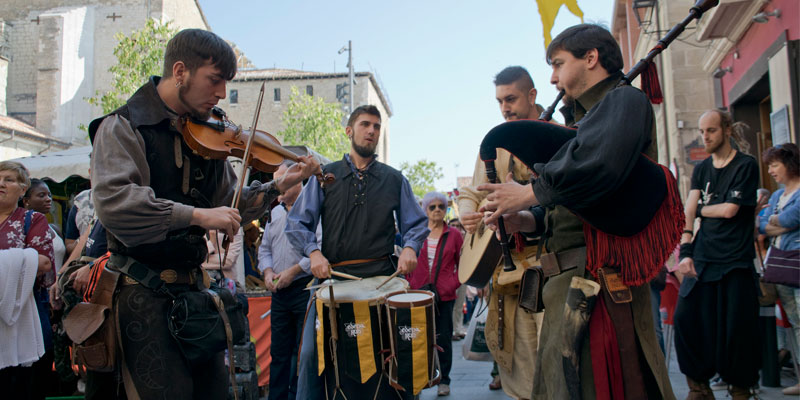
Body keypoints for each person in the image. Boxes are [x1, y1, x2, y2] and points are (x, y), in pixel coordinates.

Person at [88, 29, 320, 399]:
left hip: (194, 296)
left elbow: (229, 205)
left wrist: (276, 186)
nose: (221, 94)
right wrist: (197, 216)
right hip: (142, 296)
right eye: (214, 80)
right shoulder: (124, 126)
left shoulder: (205, 133)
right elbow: (117, 202)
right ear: (180, 71)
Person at [477, 24, 675, 399]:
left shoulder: (623, 102)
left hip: (600, 283)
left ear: (591, 58)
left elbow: (599, 172)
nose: (552, 78)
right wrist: (527, 219)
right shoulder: (584, 122)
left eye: (557, 64)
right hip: (570, 285)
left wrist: (529, 192)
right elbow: (574, 206)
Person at [286, 105, 428, 399]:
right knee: (312, 355)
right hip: (334, 282)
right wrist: (313, 253)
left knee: (401, 350)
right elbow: (297, 223)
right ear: (349, 131)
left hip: (383, 280)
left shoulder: (394, 178)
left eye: (377, 126)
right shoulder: (325, 176)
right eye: (365, 124)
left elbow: (415, 223)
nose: (372, 131)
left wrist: (411, 248)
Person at [456, 65, 544, 398]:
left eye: (511, 98)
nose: (505, 107)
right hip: (508, 275)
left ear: (532, 95)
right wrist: (467, 215)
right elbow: (471, 193)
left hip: (548, 266)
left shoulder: (556, 133)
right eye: (499, 101)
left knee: (554, 369)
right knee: (518, 371)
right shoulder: (495, 143)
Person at [674, 109, 760, 399]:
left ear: (726, 130)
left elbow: (730, 210)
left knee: (736, 329)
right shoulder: (701, 168)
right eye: (701, 131)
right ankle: (699, 388)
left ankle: (740, 390)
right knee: (686, 318)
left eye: (710, 130)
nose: (705, 136)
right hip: (702, 257)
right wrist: (686, 249)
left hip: (735, 260)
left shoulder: (746, 166)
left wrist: (699, 209)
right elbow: (688, 210)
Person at [258, 161, 319, 400]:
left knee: (303, 352)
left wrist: (293, 271)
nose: (278, 186)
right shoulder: (274, 212)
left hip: (304, 289)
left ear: (297, 178)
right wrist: (267, 272)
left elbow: (321, 248)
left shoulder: (314, 207)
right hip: (279, 293)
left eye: (282, 180)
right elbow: (265, 250)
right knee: (279, 352)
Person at [0, 161, 54, 399]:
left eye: (9, 179)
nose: (1, 184)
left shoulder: (32, 220)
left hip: (27, 306)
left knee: (24, 383)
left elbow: (43, 263)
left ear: (23, 190)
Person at [405, 191, 464, 396]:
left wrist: (453, 283)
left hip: (444, 295)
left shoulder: (454, 235)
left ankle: (444, 380)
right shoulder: (416, 233)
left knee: (444, 338)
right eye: (433, 207)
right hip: (418, 294)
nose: (438, 210)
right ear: (426, 210)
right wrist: (410, 283)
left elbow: (462, 264)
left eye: (442, 206)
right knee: (418, 338)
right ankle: (421, 379)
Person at [759, 143, 800, 396]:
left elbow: (790, 218)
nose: (771, 171)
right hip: (783, 267)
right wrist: (780, 224)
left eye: (775, 165)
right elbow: (762, 225)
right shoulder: (776, 196)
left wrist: (779, 222)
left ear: (790, 164)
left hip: (795, 262)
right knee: (794, 323)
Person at [21, 178, 66, 399]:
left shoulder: (55, 228)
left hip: (57, 299)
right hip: (37, 298)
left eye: (49, 195)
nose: (48, 199)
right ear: (26, 200)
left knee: (53, 355)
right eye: (41, 195)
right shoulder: (22, 228)